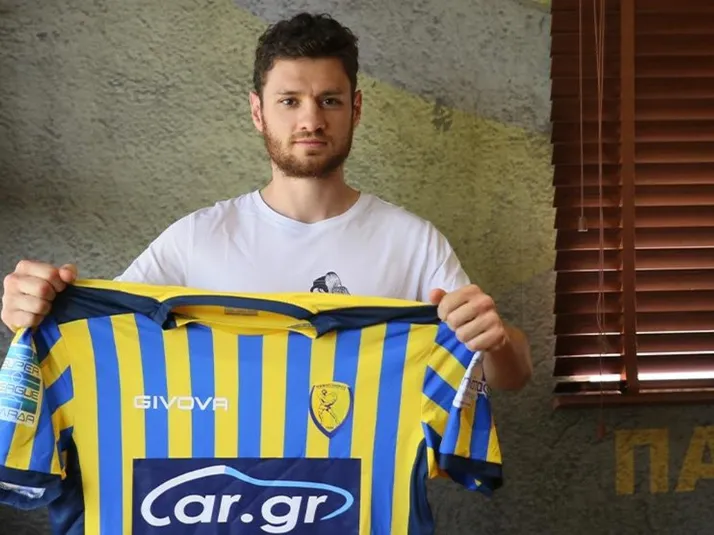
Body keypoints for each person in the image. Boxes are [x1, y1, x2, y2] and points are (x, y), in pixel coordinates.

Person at [0, 12, 532, 391]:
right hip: (221, 499)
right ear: (258, 112)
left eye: (329, 100)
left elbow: (511, 376)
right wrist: (35, 312)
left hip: (366, 502)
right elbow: (97, 344)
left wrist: (496, 341)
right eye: (289, 101)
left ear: (356, 109)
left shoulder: (411, 241)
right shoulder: (195, 240)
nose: (311, 120)